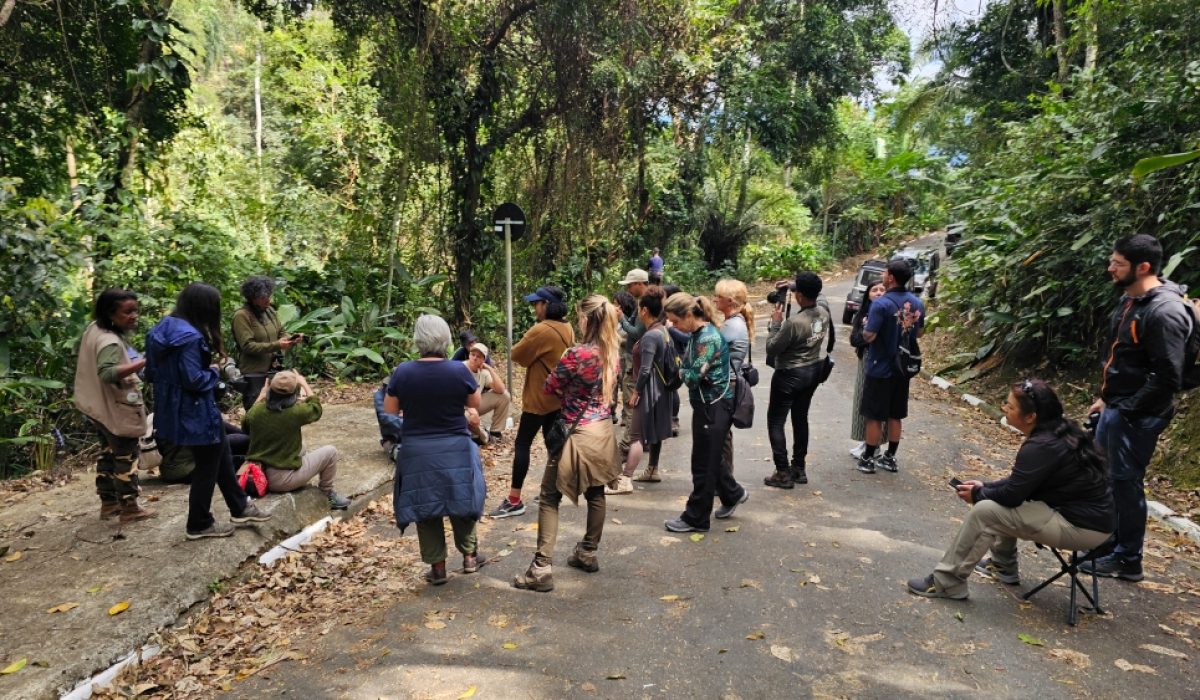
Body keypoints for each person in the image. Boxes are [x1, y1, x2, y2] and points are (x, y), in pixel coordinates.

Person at [907, 379, 1114, 600]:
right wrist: (985, 487)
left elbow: (1012, 495)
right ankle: (1003, 565)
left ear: (1030, 417)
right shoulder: (1058, 431)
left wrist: (977, 495)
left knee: (985, 511)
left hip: (1081, 529)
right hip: (1091, 520)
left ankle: (947, 583)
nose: (1004, 408)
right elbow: (1021, 484)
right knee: (998, 502)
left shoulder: (1042, 446)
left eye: (1010, 406)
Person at [1082, 234, 1191, 581]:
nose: (1110, 268)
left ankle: (1128, 558)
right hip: (1117, 406)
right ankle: (1108, 544)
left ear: (1142, 267)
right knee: (1108, 478)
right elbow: (1124, 358)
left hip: (1137, 415)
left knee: (1125, 482)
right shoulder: (1132, 299)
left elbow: (1168, 376)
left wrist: (1127, 409)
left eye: (1118, 263)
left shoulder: (1164, 312)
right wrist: (1106, 398)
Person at [145, 283, 271, 540]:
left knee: (219, 451)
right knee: (207, 465)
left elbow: (149, 372)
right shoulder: (190, 338)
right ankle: (199, 523)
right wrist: (213, 372)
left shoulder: (161, 329)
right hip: (196, 409)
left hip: (172, 407)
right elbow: (195, 379)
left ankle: (240, 507)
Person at [513, 295, 622, 592]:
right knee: (596, 492)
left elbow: (551, 387)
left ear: (586, 320)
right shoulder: (612, 353)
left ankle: (540, 569)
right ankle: (587, 552)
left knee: (549, 497)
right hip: (602, 431)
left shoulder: (577, 354)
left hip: (574, 434)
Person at [384, 315, 486, 585]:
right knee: (461, 500)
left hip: (418, 452)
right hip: (456, 448)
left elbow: (390, 410)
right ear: (446, 340)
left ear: (418, 340)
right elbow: (475, 402)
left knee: (425, 507)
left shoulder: (403, 372)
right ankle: (470, 557)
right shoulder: (458, 371)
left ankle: (438, 568)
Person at [662, 293, 748, 533]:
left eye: (676, 321)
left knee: (703, 465)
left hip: (714, 405)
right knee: (710, 457)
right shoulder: (696, 334)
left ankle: (696, 518)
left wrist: (680, 370)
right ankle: (733, 493)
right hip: (706, 405)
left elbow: (691, 377)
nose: (673, 326)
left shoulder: (707, 338)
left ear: (689, 315)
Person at [490, 286, 574, 518]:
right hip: (557, 397)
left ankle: (514, 499)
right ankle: (554, 489)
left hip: (538, 398)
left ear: (546, 305)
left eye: (537, 303)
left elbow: (517, 355)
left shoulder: (541, 330)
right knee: (553, 444)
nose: (534, 308)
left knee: (522, 444)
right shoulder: (567, 327)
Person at [73, 288, 155, 522]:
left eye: (135, 310)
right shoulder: (109, 341)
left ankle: (109, 504)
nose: (133, 316)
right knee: (125, 457)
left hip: (95, 405)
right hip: (114, 407)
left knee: (108, 453)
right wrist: (143, 363)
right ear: (110, 313)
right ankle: (130, 508)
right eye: (127, 312)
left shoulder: (95, 329)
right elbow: (107, 373)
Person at [763, 272, 832, 488]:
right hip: (812, 371)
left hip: (789, 374)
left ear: (800, 295)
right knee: (800, 418)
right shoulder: (823, 312)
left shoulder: (793, 323)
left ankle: (782, 472)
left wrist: (776, 324)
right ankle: (799, 467)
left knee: (776, 421)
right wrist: (793, 285)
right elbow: (816, 294)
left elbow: (772, 348)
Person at [242, 370, 349, 510]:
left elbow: (245, 421)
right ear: (293, 395)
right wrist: (304, 383)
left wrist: (261, 396)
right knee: (330, 452)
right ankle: (327, 493)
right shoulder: (295, 412)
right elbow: (316, 408)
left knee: (302, 446)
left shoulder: (256, 411)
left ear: (269, 391)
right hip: (282, 481)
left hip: (257, 473)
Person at [857, 259, 925, 474]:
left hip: (880, 366)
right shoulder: (917, 303)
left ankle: (868, 458)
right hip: (903, 368)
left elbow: (869, 335)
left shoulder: (881, 304)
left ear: (891, 278)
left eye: (885, 273)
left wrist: (865, 327)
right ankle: (890, 457)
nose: (883, 276)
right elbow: (920, 333)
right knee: (895, 414)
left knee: (875, 415)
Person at [610, 287, 672, 491]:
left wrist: (637, 392)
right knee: (652, 433)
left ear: (645, 310)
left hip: (647, 389)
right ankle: (651, 470)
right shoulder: (662, 330)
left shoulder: (650, 336)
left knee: (636, 436)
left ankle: (625, 479)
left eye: (639, 309)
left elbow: (645, 369)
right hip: (659, 389)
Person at [231, 276, 301, 411]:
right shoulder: (242, 316)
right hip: (254, 372)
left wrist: (291, 339)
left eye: (269, 296)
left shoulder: (269, 311)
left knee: (279, 409)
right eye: (263, 297)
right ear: (252, 298)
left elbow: (281, 332)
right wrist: (277, 345)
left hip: (274, 370)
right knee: (256, 410)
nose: (268, 300)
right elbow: (247, 346)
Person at [713, 279, 754, 476]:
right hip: (727, 383)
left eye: (718, 297)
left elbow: (709, 350)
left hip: (725, 386)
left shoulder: (732, 326)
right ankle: (724, 478)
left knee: (720, 435)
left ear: (729, 301)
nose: (714, 300)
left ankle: (724, 480)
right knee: (722, 435)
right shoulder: (734, 322)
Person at [848, 282, 888, 458]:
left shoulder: (890, 312)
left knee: (876, 404)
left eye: (882, 290)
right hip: (864, 361)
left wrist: (870, 335)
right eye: (874, 290)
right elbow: (854, 339)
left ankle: (875, 445)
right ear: (868, 295)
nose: (878, 293)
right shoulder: (862, 313)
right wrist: (868, 335)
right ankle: (865, 441)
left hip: (882, 364)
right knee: (861, 400)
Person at [616, 269, 650, 457]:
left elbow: (637, 332)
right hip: (637, 356)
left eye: (630, 285)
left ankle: (627, 444)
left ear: (639, 283)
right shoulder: (643, 302)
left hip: (634, 359)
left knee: (631, 403)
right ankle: (643, 440)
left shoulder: (646, 303)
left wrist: (621, 319)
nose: (628, 289)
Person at [463, 343, 512, 445]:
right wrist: (470, 409)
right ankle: (482, 436)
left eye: (478, 356)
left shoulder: (483, 373)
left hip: (475, 404)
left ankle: (495, 432)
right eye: (473, 355)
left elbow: (501, 390)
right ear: (469, 355)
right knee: (468, 417)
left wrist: (490, 369)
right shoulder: (461, 368)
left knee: (504, 396)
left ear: (483, 360)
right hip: (461, 408)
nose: (474, 358)